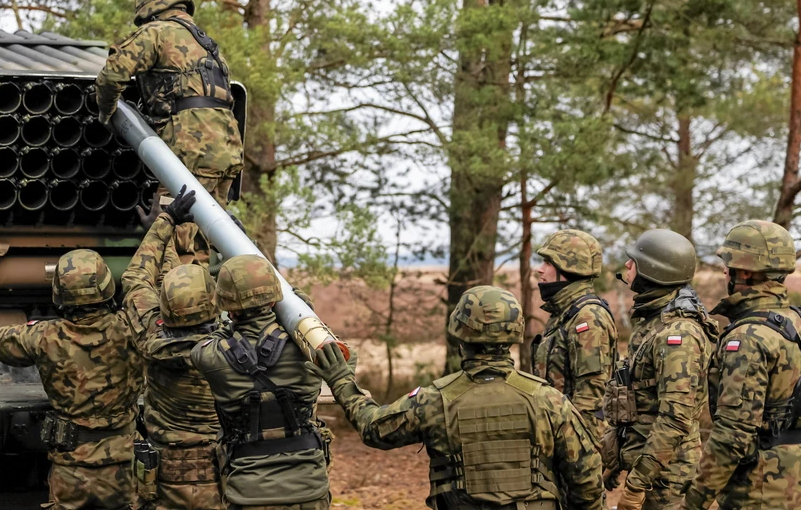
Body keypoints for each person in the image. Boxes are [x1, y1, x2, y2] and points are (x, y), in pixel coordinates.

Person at [310, 285, 604, 510]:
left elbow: (374, 428)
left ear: (459, 335)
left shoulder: (435, 401)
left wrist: (341, 380)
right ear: (515, 334)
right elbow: (587, 481)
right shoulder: (549, 401)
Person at [683, 220, 801, 510]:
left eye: (728, 263)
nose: (725, 271)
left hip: (756, 492)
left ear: (746, 271)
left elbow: (731, 437)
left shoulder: (746, 337)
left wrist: (693, 502)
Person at [0, 249, 142, 510]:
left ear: (59, 292)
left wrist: (37, 327)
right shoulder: (131, 329)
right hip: (124, 464)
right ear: (107, 286)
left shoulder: (45, 336)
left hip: (71, 467)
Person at [190, 255, 330, 509]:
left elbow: (216, 334)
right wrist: (296, 309)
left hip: (248, 493)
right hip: (309, 488)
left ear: (227, 307)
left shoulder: (208, 356)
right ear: (275, 298)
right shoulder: (309, 347)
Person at [94, 0, 243, 207]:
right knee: (206, 235)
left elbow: (112, 75)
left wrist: (106, 113)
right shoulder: (210, 47)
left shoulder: (156, 32)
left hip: (191, 147)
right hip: (228, 147)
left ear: (151, 12)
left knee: (170, 228)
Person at [121, 187, 224, 509]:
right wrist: (234, 239)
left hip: (165, 477)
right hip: (221, 476)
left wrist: (165, 222)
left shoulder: (154, 338)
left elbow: (138, 278)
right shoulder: (233, 343)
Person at [602, 229, 718, 510]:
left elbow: (675, 419)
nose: (627, 266)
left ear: (655, 271)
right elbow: (640, 401)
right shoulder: (656, 322)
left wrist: (637, 483)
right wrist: (616, 458)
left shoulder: (678, 335)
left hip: (666, 479)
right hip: (650, 466)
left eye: (635, 261)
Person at [532, 228, 617, 439]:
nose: (539, 270)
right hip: (558, 438)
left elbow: (590, 401)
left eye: (548, 263)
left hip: (576, 446)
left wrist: (576, 457)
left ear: (568, 268)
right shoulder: (564, 314)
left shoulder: (588, 318)